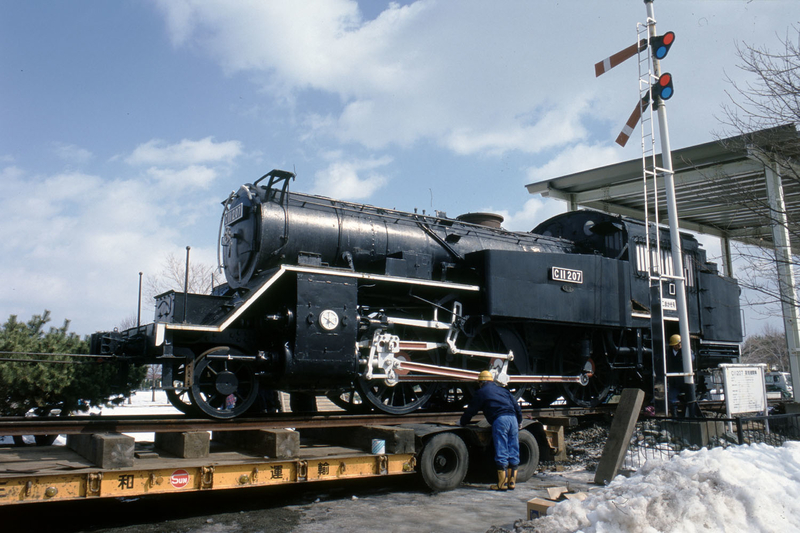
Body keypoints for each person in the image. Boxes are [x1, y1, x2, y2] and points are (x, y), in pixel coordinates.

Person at [460, 370, 522, 491]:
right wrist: (519, 421)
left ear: (481, 382)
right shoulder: (504, 390)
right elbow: (516, 407)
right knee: (513, 449)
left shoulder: (482, 392)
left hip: (501, 420)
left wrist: (462, 422)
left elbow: (471, 410)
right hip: (513, 419)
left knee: (502, 449)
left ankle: (502, 484)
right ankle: (512, 483)